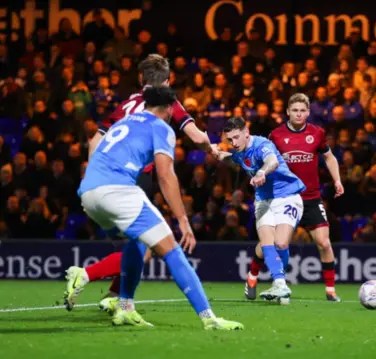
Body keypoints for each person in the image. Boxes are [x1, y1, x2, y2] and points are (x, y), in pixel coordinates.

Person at [73, 86, 243, 330]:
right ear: (170, 108)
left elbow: (96, 145)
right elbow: (165, 176)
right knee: (172, 250)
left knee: (137, 241)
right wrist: (183, 220)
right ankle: (210, 319)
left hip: (88, 193)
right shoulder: (161, 127)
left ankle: (125, 307)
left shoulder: (127, 119)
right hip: (117, 191)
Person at [63, 54, 216, 313]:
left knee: (135, 246)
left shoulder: (126, 104)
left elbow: (94, 142)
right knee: (146, 248)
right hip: (134, 179)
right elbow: (193, 135)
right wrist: (212, 147)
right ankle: (88, 276)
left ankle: (115, 297)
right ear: (168, 81)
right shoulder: (167, 102)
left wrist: (95, 174)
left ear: (140, 78)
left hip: (99, 182)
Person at [244, 93, 344, 302]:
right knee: (272, 244)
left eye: (303, 111)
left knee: (324, 243)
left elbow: (329, 157)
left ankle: (331, 290)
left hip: (311, 198)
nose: (299, 114)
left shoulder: (317, 133)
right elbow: (265, 160)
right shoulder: (276, 136)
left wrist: (337, 180)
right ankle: (253, 276)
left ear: (308, 112)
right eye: (295, 110)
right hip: (283, 197)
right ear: (288, 112)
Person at [212, 117, 306, 304]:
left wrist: (262, 172)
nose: (234, 143)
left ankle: (255, 273)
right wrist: (214, 151)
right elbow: (232, 160)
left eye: (237, 137)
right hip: (263, 201)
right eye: (229, 139)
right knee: (266, 241)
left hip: (288, 195)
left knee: (280, 243)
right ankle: (279, 283)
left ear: (247, 133)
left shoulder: (263, 144)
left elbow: (272, 161)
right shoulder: (238, 151)